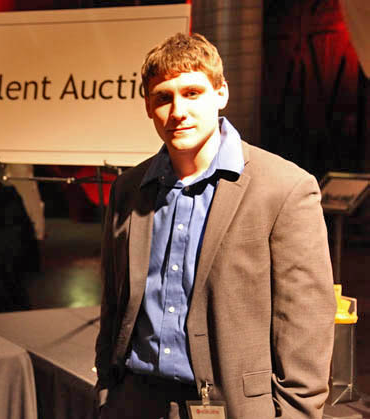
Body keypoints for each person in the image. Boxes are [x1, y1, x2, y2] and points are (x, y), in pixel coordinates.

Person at [95, 33, 336, 419]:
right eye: (163, 97)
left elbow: (305, 325)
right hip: (134, 402)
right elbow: (113, 302)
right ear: (147, 106)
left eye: (192, 93)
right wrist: (108, 392)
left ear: (221, 93)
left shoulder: (285, 188)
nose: (177, 111)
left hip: (234, 407)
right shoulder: (129, 189)